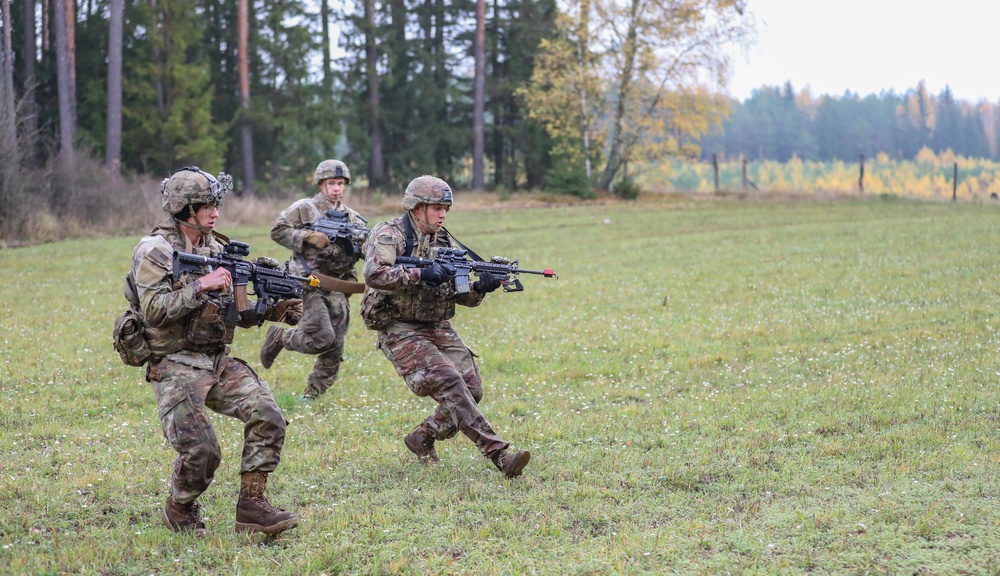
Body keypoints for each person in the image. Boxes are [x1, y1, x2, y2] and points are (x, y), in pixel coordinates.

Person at [125, 167, 303, 536]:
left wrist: (273, 307)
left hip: (215, 358)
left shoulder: (216, 248)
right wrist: (201, 286)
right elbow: (153, 310)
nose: (214, 211)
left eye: (216, 203)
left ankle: (252, 509)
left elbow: (234, 312)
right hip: (173, 362)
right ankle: (180, 507)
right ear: (184, 208)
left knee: (268, 416)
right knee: (204, 451)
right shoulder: (155, 250)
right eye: (206, 205)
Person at [359, 175, 531, 479]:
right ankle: (499, 455)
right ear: (416, 208)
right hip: (398, 326)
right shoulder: (388, 234)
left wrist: (483, 286)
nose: (442, 214)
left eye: (446, 209)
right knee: (450, 380)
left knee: (472, 389)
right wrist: (419, 274)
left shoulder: (445, 241)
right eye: (437, 207)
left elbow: (461, 295)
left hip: (436, 323)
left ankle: (422, 436)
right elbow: (374, 274)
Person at [259, 159, 367, 401]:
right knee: (321, 338)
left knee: (335, 347)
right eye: (331, 183)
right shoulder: (304, 208)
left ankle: (312, 394)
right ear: (321, 184)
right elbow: (277, 230)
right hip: (310, 284)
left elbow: (365, 248)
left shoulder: (353, 218)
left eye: (340, 183)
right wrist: (307, 236)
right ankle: (280, 337)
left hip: (338, 286)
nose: (336, 188)